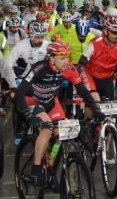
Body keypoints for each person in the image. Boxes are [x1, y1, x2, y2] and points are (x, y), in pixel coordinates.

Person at [16, 40, 102, 187]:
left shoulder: (68, 69)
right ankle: (36, 170)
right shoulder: (40, 68)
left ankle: (50, 172)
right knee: (48, 128)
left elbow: (82, 90)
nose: (66, 61)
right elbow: (19, 92)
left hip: (51, 102)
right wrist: (28, 115)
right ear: (51, 58)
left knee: (62, 133)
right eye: (62, 58)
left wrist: (96, 109)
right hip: (32, 101)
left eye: (67, 57)